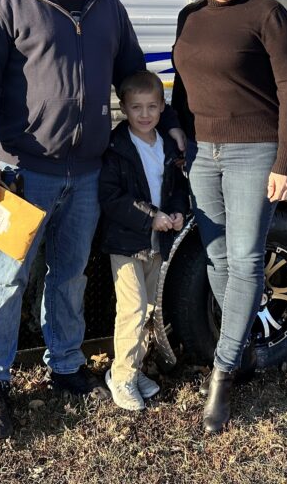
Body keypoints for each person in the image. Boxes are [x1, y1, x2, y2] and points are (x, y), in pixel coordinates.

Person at [0, 0, 184, 441]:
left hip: (88, 174)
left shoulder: (108, 7)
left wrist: (171, 125)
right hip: (22, 171)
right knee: (5, 279)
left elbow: (136, 80)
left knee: (70, 273)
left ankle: (64, 363)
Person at [172, 0, 287, 434]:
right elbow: (183, 88)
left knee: (247, 260)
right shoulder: (189, 17)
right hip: (203, 154)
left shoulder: (268, 15)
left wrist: (285, 163)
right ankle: (243, 348)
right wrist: (181, 138)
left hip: (256, 152)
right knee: (217, 259)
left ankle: (223, 374)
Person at [99, 70, 189, 411]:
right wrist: (151, 215)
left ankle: (133, 370)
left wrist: (177, 212)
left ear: (163, 107)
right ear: (123, 108)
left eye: (152, 106)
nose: (145, 114)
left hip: (157, 242)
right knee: (133, 309)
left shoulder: (165, 145)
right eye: (136, 107)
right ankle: (120, 377)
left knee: (150, 309)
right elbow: (111, 197)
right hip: (125, 243)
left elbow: (176, 189)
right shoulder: (116, 146)